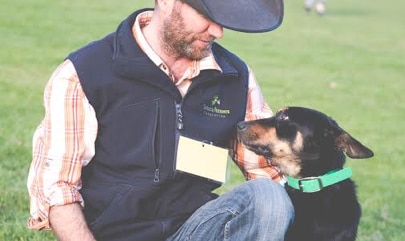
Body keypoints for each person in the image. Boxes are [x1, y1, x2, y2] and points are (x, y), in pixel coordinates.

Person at [27, 0, 294, 240]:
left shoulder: (235, 77)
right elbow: (58, 189)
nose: (218, 31)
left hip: (194, 230)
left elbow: (268, 174)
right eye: (206, 15)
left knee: (268, 197)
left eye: (223, 19)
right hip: (113, 234)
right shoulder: (84, 74)